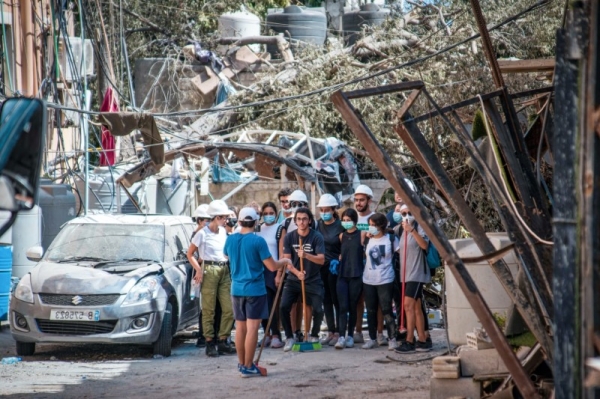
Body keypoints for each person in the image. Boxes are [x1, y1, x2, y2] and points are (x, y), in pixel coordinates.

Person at [224, 207, 291, 377]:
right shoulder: (258, 241)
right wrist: (284, 260)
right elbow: (271, 266)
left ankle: (242, 364)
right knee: (253, 328)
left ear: (239, 222)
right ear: (256, 222)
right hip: (254, 289)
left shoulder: (230, 239)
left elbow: (226, 256)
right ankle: (248, 366)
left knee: (240, 327)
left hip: (236, 289)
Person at [187, 199, 235, 357]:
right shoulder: (202, 233)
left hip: (223, 269)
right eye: (224, 217)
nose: (226, 220)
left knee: (228, 308)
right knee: (209, 309)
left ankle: (222, 340)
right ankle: (209, 341)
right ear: (217, 217)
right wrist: (198, 269)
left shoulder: (223, 232)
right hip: (209, 269)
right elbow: (190, 254)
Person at [279, 207, 325, 352]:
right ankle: (289, 337)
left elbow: (321, 260)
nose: (302, 222)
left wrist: (306, 255)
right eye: (299, 219)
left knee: (318, 309)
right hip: (294, 278)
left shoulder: (316, 237)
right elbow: (286, 260)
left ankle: (314, 335)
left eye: (304, 219)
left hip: (312, 278)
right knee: (283, 307)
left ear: (309, 220)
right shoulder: (289, 237)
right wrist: (297, 272)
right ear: (295, 221)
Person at [395, 204, 432, 353]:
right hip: (406, 274)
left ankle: (409, 340)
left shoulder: (419, 227)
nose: (406, 216)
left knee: (408, 305)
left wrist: (412, 230)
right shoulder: (400, 230)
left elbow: (424, 245)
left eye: (409, 213)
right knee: (415, 307)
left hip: (417, 273)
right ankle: (422, 339)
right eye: (403, 214)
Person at [362, 213, 398, 351]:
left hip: (385, 279)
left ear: (381, 226)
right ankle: (372, 338)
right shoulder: (368, 240)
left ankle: (392, 338)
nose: (370, 228)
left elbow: (400, 253)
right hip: (368, 280)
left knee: (387, 309)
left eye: (373, 225)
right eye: (369, 225)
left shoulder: (390, 239)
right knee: (370, 310)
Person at [255, 201, 284, 349]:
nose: (268, 216)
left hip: (273, 269)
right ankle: (266, 333)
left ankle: (275, 334)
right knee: (262, 303)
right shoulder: (258, 229)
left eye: (271, 213)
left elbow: (280, 251)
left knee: (273, 303)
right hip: (260, 270)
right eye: (265, 214)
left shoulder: (280, 229)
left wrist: (279, 274)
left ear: (276, 213)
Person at [316, 194, 344, 347]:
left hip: (335, 268)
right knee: (326, 300)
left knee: (336, 300)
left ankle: (340, 331)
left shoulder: (340, 225)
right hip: (321, 267)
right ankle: (331, 331)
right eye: (322, 209)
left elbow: (346, 244)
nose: (324, 212)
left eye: (327, 210)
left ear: (334, 210)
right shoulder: (318, 225)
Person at [334, 208, 364, 349]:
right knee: (342, 307)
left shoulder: (362, 235)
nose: (346, 223)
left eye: (349, 220)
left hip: (356, 274)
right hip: (342, 274)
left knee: (353, 306)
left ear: (355, 221)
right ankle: (341, 336)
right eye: (344, 220)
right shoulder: (341, 236)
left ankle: (350, 335)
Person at [189, 204, 216, 348]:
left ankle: (205, 335)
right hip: (201, 271)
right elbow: (194, 255)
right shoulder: (198, 234)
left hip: (203, 270)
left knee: (207, 305)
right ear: (199, 220)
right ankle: (203, 336)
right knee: (205, 306)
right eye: (206, 219)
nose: (208, 221)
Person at [352, 184, 375, 344]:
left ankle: (377, 333)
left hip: (372, 262)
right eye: (356, 200)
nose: (358, 203)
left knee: (373, 299)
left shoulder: (376, 218)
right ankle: (358, 331)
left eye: (361, 200)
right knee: (357, 298)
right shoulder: (351, 219)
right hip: (355, 262)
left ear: (369, 201)